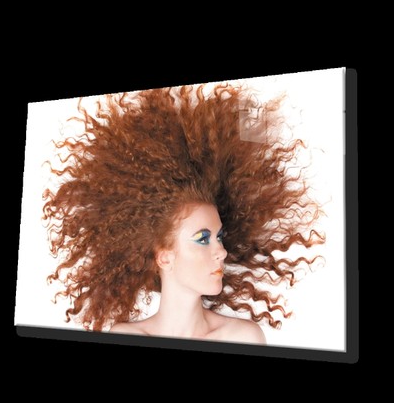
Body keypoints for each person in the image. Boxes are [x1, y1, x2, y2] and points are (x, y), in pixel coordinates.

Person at [43, 81, 324, 344]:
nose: (221, 251)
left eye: (219, 236)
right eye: (203, 239)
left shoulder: (243, 338)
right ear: (165, 256)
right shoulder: (125, 335)